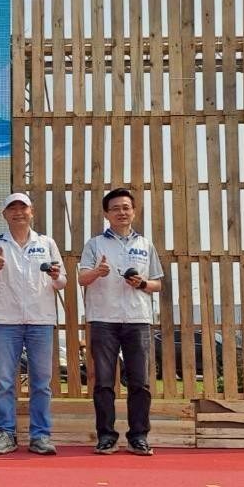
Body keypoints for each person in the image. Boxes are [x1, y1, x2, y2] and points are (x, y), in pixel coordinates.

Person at [79, 188, 163, 456]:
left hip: (138, 319)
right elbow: (82, 278)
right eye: (115, 208)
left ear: (134, 212)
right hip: (104, 319)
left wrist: (142, 283)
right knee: (104, 382)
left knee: (140, 382)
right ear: (106, 214)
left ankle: (139, 436)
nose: (121, 212)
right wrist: (97, 271)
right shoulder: (95, 244)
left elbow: (157, 283)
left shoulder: (145, 245)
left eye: (126, 207)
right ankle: (106, 436)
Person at [0, 193, 66, 456]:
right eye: (12, 209)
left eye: (23, 208)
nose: (18, 212)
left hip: (41, 320)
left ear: (32, 212)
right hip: (6, 320)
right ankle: (6, 433)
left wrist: (56, 275)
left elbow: (62, 280)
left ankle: (40, 436)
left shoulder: (46, 243)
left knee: (41, 382)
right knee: (5, 381)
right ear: (4, 214)